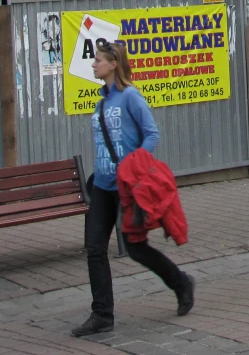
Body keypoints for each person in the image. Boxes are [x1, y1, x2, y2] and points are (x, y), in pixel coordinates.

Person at [72, 40, 195, 337]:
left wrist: (134, 168)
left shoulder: (130, 97)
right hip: (102, 184)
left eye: (98, 60)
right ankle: (102, 315)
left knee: (137, 249)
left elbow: (151, 134)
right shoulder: (102, 102)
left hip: (128, 187)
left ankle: (181, 283)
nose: (93, 64)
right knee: (95, 249)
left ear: (114, 64)